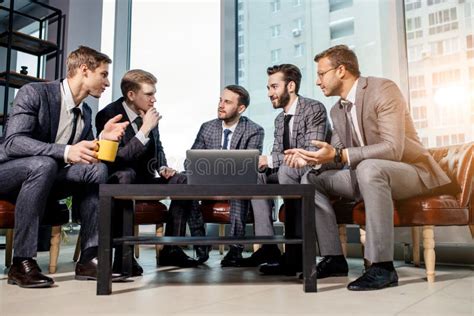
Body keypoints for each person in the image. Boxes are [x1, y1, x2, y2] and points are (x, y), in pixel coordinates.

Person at [284, 45, 450, 290]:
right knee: (311, 179)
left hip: (410, 171)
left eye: (321, 74)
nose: (318, 81)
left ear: (341, 70)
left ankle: (382, 266)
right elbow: (336, 154)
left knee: (369, 168)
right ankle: (333, 258)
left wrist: (340, 154)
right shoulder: (337, 109)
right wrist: (313, 158)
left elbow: (393, 148)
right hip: (367, 175)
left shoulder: (383, 89)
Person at [0, 46, 129, 288]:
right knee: (44, 163)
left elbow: (85, 154)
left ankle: (90, 259)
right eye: (103, 74)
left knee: (97, 170)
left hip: (48, 175)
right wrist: (66, 151)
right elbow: (13, 142)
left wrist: (102, 140)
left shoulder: (86, 112)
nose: (107, 82)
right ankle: (21, 262)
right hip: (8, 173)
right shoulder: (34, 93)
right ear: (84, 70)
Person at [96, 69, 199, 270]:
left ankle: (172, 249)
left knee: (183, 179)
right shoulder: (108, 115)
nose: (154, 99)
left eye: (154, 94)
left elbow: (157, 147)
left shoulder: (148, 115)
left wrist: (162, 166)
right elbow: (119, 159)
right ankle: (122, 255)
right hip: (118, 180)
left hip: (144, 179)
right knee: (126, 174)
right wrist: (145, 130)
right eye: (149, 94)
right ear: (131, 95)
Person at [238, 64, 331, 274]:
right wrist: (265, 162)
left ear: (290, 86)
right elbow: (278, 154)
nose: (270, 93)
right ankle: (268, 246)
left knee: (284, 171)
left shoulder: (313, 108)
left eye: (274, 87)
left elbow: (309, 153)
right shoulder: (280, 119)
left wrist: (269, 160)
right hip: (287, 170)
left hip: (311, 170)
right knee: (257, 176)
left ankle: (295, 256)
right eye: (268, 88)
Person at [187, 85, 265, 266]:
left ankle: (235, 250)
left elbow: (250, 165)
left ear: (241, 108)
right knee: (185, 185)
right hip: (208, 185)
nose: (221, 105)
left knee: (238, 189)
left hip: (236, 186)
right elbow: (191, 161)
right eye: (220, 100)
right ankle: (201, 247)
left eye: (227, 102)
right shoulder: (207, 128)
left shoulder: (254, 130)